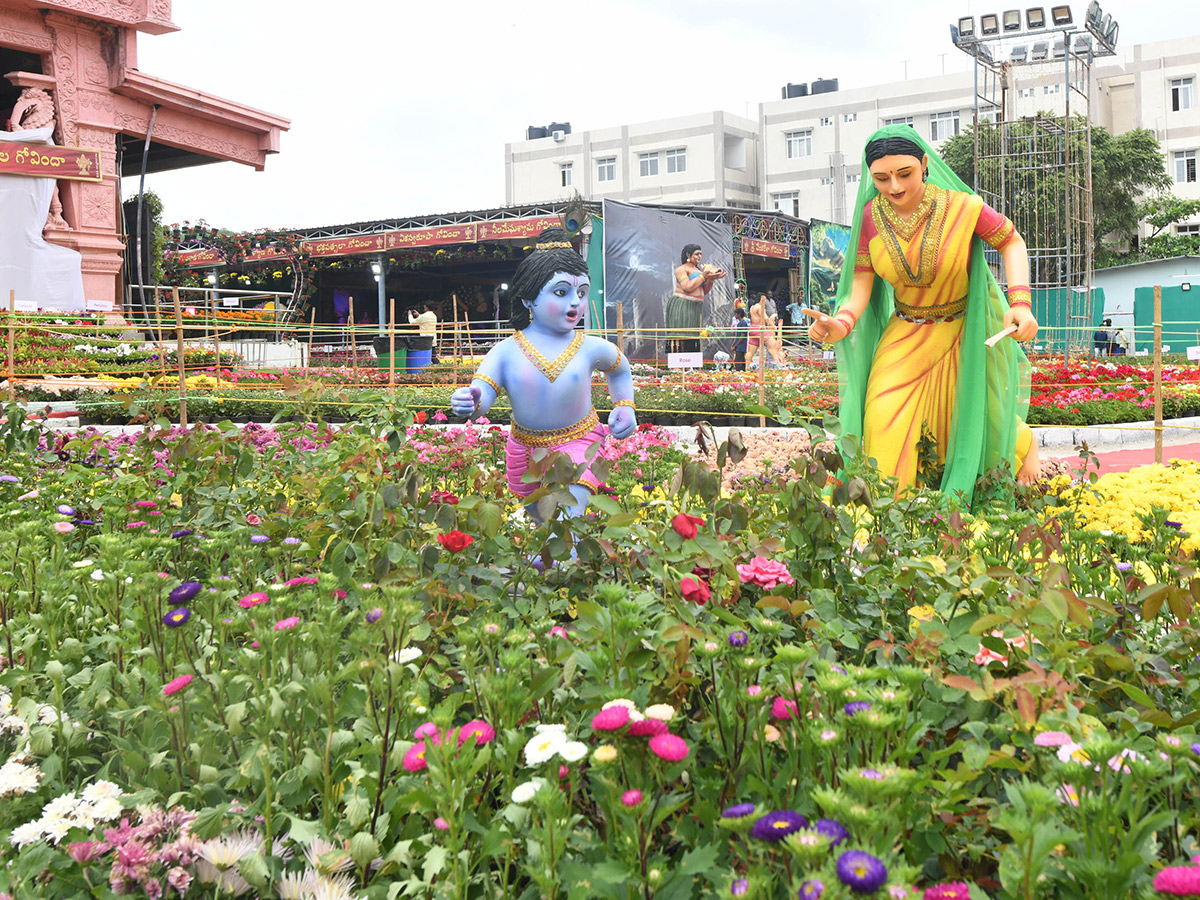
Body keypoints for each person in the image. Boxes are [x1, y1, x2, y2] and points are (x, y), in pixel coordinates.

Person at [807, 125, 1040, 498]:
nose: (895, 187)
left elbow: (1011, 241)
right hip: (905, 332)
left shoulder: (963, 208)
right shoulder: (870, 218)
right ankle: (891, 510)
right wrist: (841, 323)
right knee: (883, 415)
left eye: (904, 174)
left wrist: (1021, 304)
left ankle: (1022, 443)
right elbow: (860, 289)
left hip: (966, 328)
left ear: (925, 164)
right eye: (881, 178)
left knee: (968, 416)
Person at [450, 228, 636, 521]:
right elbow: (482, 394)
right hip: (525, 451)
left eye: (582, 292)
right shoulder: (506, 352)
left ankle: (569, 550)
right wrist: (471, 401)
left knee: (569, 512)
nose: (575, 301)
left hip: (580, 442)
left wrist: (624, 405)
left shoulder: (589, 347)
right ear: (528, 299)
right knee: (542, 522)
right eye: (561, 292)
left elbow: (620, 369)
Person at [669, 243, 725, 353]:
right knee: (679, 336)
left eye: (701, 254)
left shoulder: (699, 271)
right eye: (696, 254)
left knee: (693, 336)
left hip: (695, 307)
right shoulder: (681, 269)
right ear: (688, 255)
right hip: (682, 305)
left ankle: (690, 365)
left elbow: (703, 292)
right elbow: (687, 287)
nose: (699, 256)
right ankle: (676, 366)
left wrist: (711, 280)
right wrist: (704, 276)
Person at [745, 295, 767, 371]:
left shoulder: (752, 307)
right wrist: (773, 324)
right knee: (773, 344)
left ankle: (747, 367)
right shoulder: (760, 307)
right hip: (759, 328)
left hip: (753, 327)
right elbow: (765, 318)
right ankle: (775, 363)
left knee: (751, 351)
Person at [732, 306, 749, 370]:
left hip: (741, 346)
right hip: (739, 345)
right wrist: (734, 344)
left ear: (739, 314)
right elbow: (737, 335)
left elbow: (742, 335)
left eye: (736, 314)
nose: (735, 315)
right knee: (739, 360)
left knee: (738, 361)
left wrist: (736, 345)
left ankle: (740, 372)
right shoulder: (739, 323)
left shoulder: (743, 323)